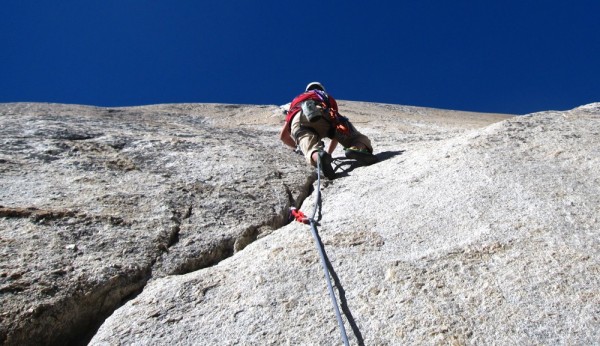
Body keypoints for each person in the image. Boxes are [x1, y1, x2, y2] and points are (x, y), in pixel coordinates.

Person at [279, 82, 377, 179]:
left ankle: (318, 157)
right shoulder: (324, 96)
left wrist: (299, 147)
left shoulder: (296, 101)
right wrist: (329, 153)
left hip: (297, 120)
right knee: (356, 137)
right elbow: (336, 128)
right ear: (322, 89)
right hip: (321, 112)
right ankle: (356, 148)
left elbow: (283, 137)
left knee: (310, 149)